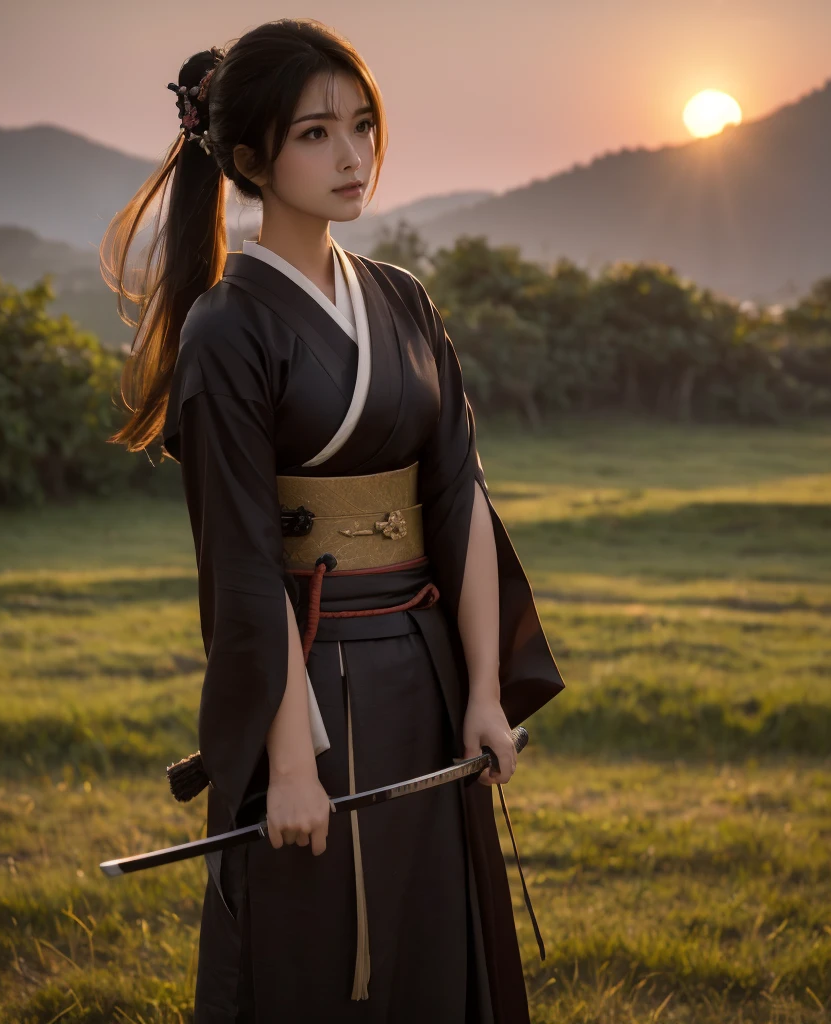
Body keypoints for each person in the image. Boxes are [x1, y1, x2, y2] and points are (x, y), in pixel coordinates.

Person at [102, 18, 564, 1024]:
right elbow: (244, 558)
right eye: (317, 134)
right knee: (323, 952)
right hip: (309, 678)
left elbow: (459, 501)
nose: (353, 155)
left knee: (434, 937)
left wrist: (484, 694)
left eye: (362, 125)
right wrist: (289, 763)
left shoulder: (403, 301)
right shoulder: (226, 330)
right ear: (252, 156)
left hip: (428, 667)